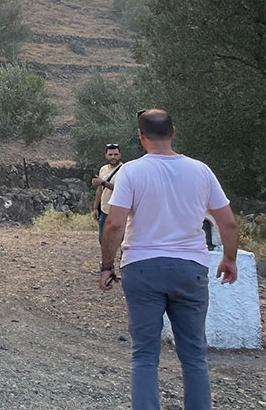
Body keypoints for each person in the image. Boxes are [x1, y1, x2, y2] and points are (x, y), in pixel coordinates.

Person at [99, 109, 239, 410]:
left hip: (142, 268)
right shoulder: (201, 170)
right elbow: (228, 223)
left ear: (140, 136)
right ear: (173, 132)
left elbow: (114, 224)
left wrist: (107, 266)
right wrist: (229, 258)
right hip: (191, 269)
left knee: (145, 355)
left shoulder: (131, 172)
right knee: (194, 357)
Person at [92, 143, 124, 243]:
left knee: (122, 240)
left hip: (119, 211)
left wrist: (103, 182)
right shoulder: (103, 169)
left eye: (115, 154)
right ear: (106, 155)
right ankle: (106, 259)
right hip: (104, 210)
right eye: (110, 154)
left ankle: (124, 258)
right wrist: (96, 208)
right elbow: (99, 190)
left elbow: (121, 189)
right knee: (103, 240)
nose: (113, 157)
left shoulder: (124, 170)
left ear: (120, 155)